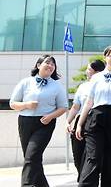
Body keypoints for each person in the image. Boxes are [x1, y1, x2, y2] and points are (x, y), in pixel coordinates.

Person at [76, 45, 111, 187]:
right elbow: (89, 102)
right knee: (93, 155)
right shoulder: (96, 77)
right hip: (96, 117)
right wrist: (80, 123)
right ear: (105, 57)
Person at [10, 54, 68, 187]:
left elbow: (63, 107)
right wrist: (26, 105)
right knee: (32, 159)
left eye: (53, 64)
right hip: (25, 122)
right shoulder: (25, 82)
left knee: (31, 156)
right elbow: (13, 103)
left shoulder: (57, 86)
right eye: (47, 62)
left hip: (45, 123)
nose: (50, 66)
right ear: (38, 65)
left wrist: (51, 116)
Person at [66, 60, 106, 180]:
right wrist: (68, 121)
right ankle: (82, 177)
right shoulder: (83, 86)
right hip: (80, 121)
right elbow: (75, 106)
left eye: (89, 69)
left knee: (92, 154)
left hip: (95, 121)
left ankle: (89, 179)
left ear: (97, 72)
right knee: (77, 153)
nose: (86, 71)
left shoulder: (104, 85)